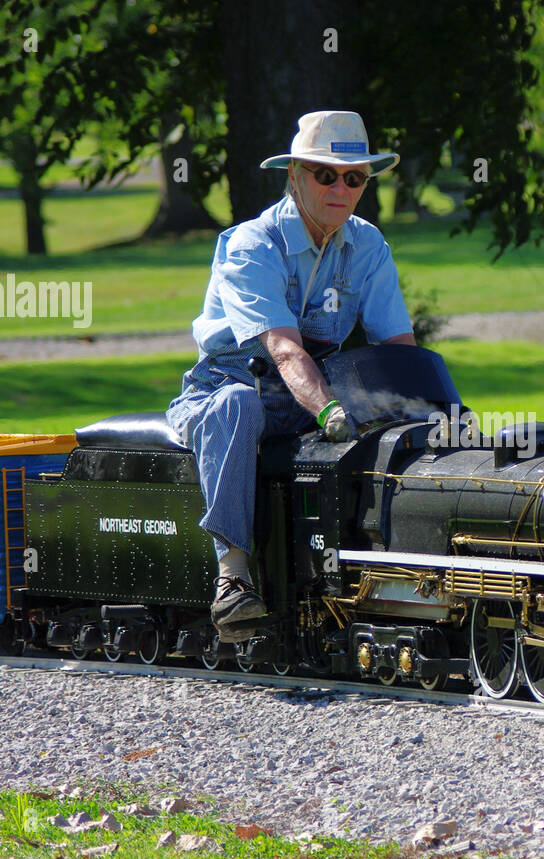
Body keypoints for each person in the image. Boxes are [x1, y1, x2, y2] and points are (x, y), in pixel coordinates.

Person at [166, 110, 416, 640]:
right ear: (295, 176)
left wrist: (433, 415)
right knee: (238, 407)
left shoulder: (368, 245)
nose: (341, 188)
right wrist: (328, 411)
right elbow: (281, 349)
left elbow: (398, 346)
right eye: (325, 175)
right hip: (228, 386)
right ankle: (232, 578)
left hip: (319, 388)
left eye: (354, 177)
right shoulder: (251, 245)